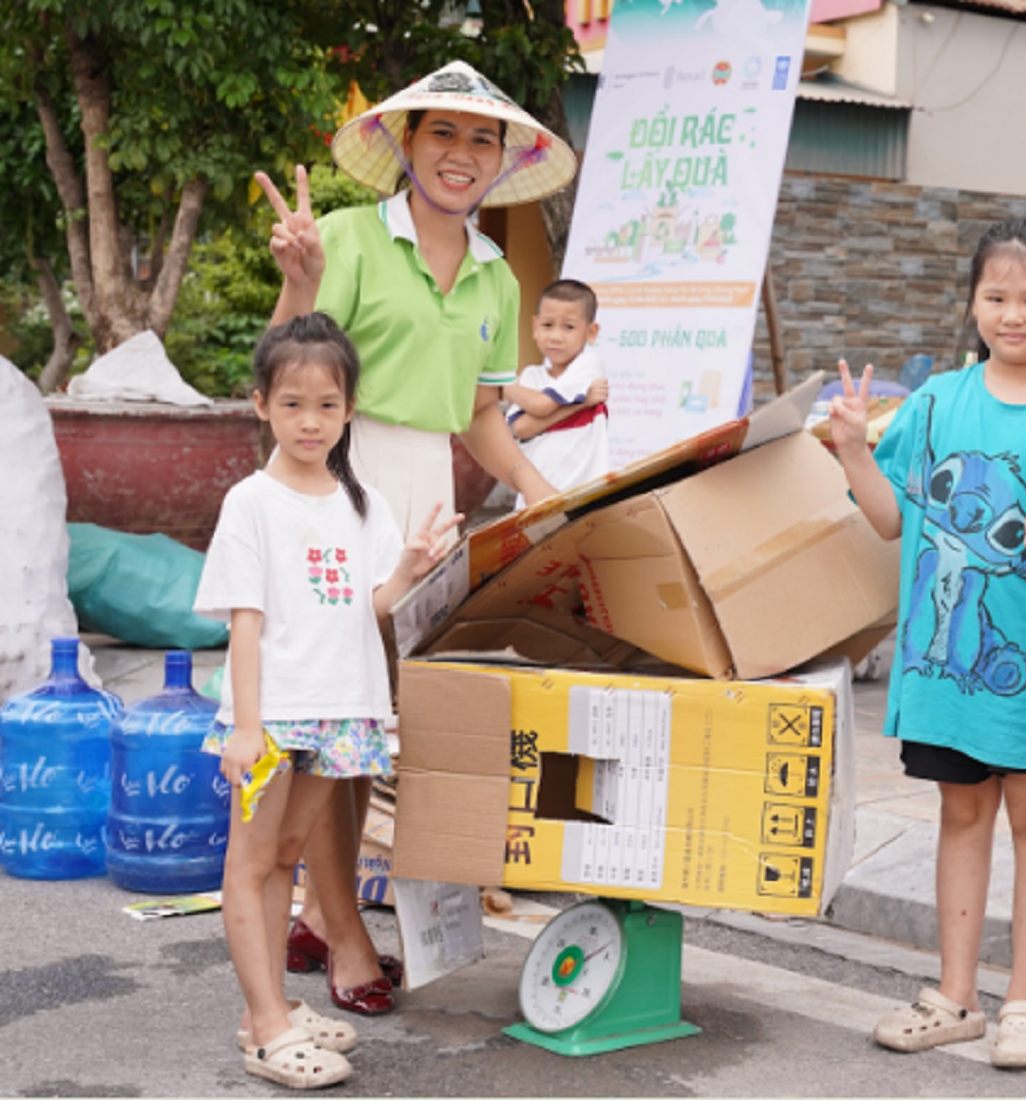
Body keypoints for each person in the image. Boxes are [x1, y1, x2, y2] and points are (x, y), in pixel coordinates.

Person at [253, 59, 577, 1014]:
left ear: (504, 160)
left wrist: (543, 489)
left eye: (483, 139)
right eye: (443, 132)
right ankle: (347, 936)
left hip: (426, 502)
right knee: (330, 717)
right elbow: (284, 376)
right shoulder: (347, 240)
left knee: (368, 725)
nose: (461, 154)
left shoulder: (494, 277)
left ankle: (319, 909)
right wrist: (299, 282)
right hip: (333, 484)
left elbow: (481, 419)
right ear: (406, 143)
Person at [831, 219, 1026, 1070]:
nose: (1013, 315)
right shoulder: (937, 400)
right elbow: (892, 520)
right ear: (973, 302)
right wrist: (850, 449)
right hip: (943, 669)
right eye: (996, 297)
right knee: (961, 813)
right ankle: (956, 994)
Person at [195, 313, 460, 1088]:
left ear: (349, 409)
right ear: (259, 405)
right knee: (250, 864)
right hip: (272, 716)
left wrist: (411, 566)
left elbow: (372, 608)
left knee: (286, 859)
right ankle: (267, 1025)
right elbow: (246, 620)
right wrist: (245, 726)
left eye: (327, 405)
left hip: (343, 712)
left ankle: (265, 1010)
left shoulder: (363, 501)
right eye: (292, 404)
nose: (310, 421)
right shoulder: (251, 501)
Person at [503, 278, 611, 505]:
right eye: (547, 325)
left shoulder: (588, 364)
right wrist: (582, 402)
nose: (555, 336)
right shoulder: (532, 375)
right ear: (535, 327)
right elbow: (521, 428)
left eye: (569, 327)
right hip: (535, 497)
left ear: (591, 332)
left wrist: (506, 385)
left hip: (582, 494)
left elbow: (541, 405)